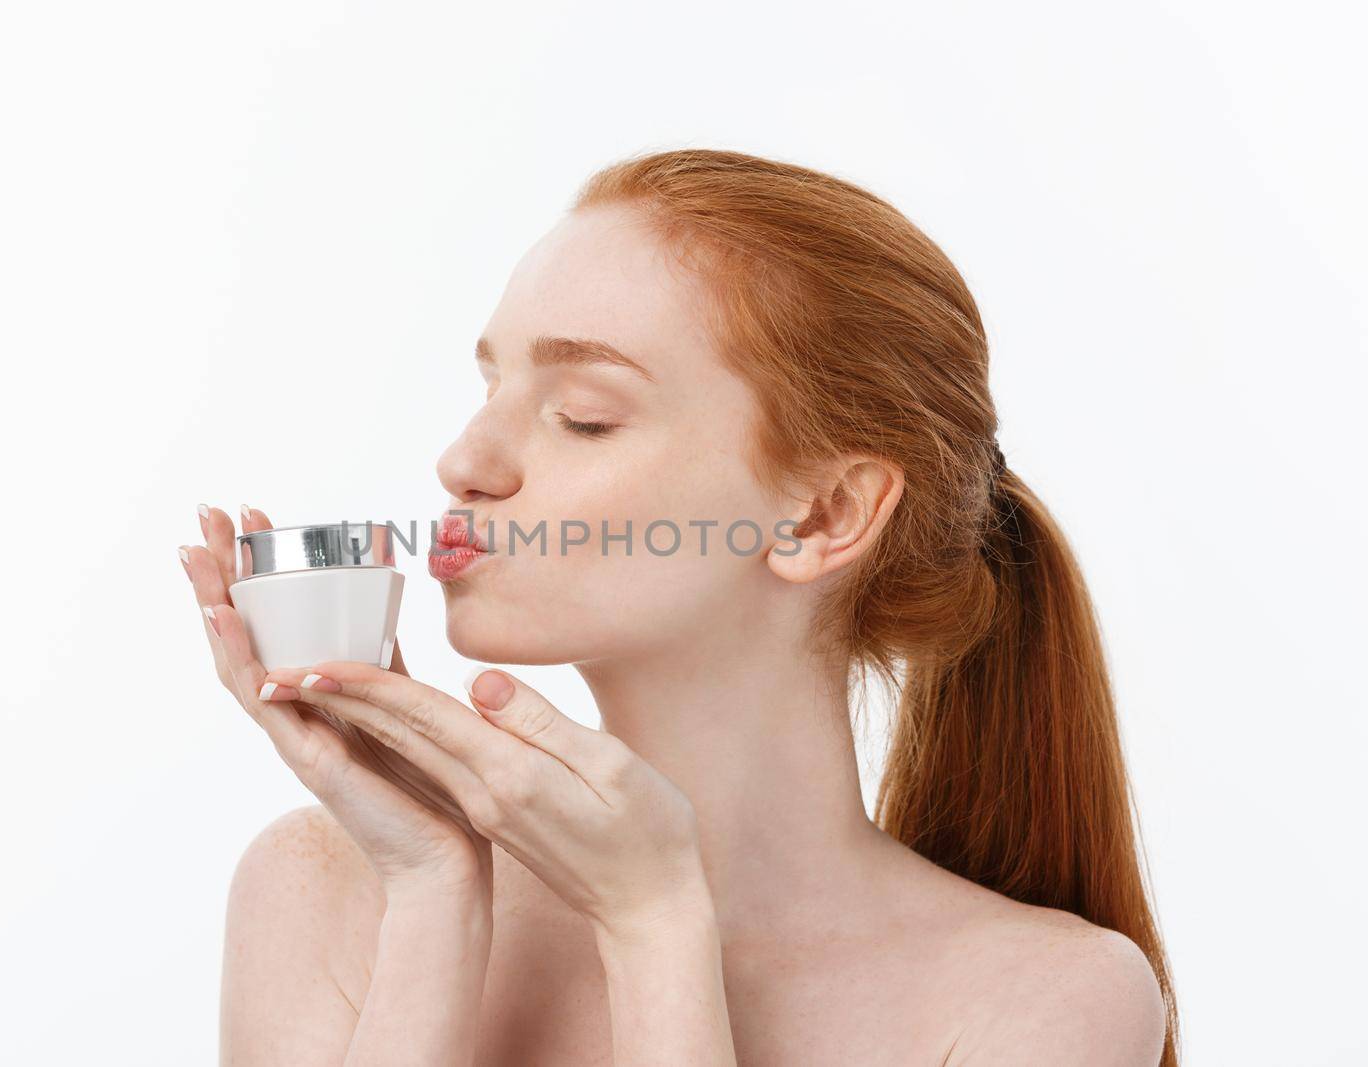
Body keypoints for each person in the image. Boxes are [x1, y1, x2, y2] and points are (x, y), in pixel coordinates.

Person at [180, 147, 1178, 1065]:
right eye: (489, 385)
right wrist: (433, 889)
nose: (464, 462)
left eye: (583, 415)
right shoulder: (328, 889)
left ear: (824, 512)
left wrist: (654, 923)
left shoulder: (1045, 998)